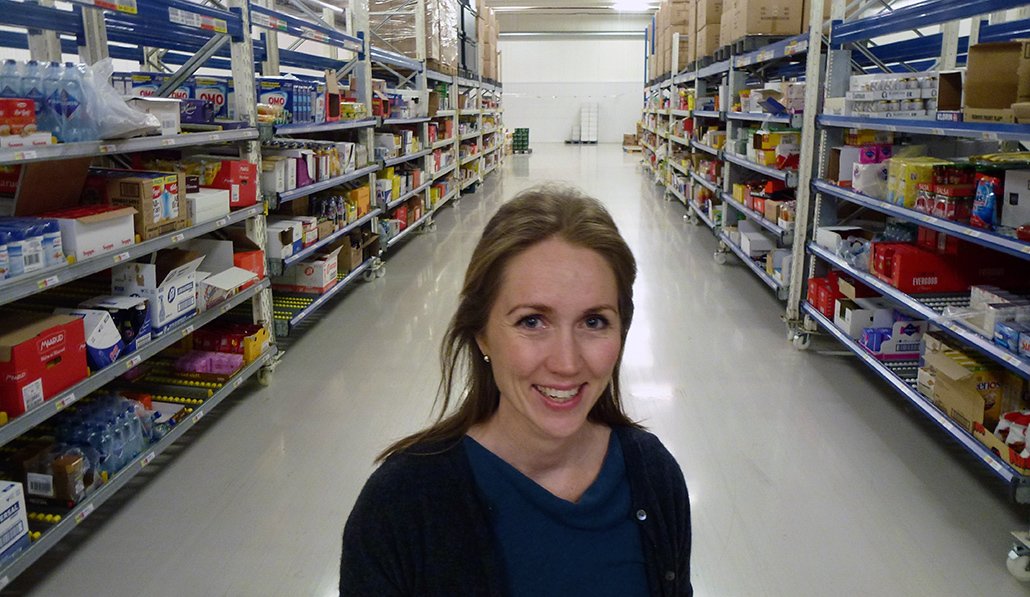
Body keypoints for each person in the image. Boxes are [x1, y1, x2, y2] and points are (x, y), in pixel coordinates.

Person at [340, 184, 692, 596]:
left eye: (594, 321)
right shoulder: (400, 506)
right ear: (482, 334)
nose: (566, 363)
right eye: (532, 321)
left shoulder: (653, 475)